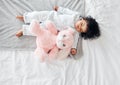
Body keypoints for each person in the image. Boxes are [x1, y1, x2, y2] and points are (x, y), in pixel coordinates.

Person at [16, 6, 101, 55]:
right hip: (52, 16)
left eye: (81, 30)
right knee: (38, 15)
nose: (79, 27)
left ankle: (24, 30)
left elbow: (75, 41)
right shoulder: (76, 15)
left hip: (52, 28)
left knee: (40, 31)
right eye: (81, 24)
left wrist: (74, 48)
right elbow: (67, 11)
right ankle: (26, 17)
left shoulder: (75, 32)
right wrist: (59, 9)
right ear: (83, 19)